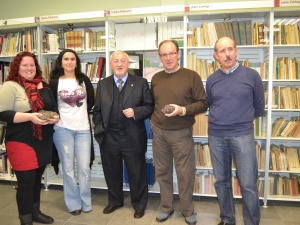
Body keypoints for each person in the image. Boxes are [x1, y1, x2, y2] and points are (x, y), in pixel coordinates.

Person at [206, 37, 264, 225]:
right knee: (221, 182)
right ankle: (227, 219)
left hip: (243, 135)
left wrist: (240, 120)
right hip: (216, 136)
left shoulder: (252, 75)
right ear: (216, 55)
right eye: (222, 51)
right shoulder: (212, 79)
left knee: (248, 184)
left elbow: (259, 107)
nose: (227, 54)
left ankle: (251, 222)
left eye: (229, 49)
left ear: (236, 50)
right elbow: (211, 104)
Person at [150, 40, 208, 225]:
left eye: (171, 53)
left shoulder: (191, 76)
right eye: (164, 55)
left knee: (185, 173)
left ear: (178, 54)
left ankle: (187, 210)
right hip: (159, 132)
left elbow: (203, 103)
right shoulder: (156, 78)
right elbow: (153, 104)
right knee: (162, 172)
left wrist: (182, 110)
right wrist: (153, 123)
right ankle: (166, 207)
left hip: (181, 133)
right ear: (160, 57)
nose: (168, 58)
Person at [0, 52, 59, 225]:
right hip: (21, 141)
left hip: (43, 139)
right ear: (17, 67)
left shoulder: (44, 85)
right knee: (26, 182)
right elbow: (2, 113)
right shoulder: (11, 86)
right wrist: (30, 117)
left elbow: (54, 108)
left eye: (32, 65)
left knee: (36, 180)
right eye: (24, 65)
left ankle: (35, 212)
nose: (29, 68)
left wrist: (55, 118)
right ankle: (25, 219)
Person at [93, 50, 154, 219]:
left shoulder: (140, 83)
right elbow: (97, 110)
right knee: (111, 171)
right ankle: (114, 201)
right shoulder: (103, 84)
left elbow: (149, 107)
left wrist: (135, 111)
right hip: (109, 136)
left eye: (123, 61)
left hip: (132, 136)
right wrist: (99, 126)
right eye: (115, 61)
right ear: (111, 65)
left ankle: (139, 204)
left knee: (137, 172)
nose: (119, 64)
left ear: (128, 64)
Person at [49, 49, 95, 216]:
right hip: (62, 130)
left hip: (83, 129)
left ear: (77, 62)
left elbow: (91, 101)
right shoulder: (54, 82)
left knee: (84, 168)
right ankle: (73, 203)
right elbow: (51, 104)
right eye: (66, 59)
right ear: (61, 62)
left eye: (72, 59)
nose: (69, 62)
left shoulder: (83, 80)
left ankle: (86, 202)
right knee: (68, 169)